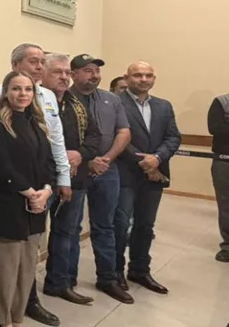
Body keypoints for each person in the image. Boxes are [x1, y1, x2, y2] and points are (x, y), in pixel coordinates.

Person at [0, 43, 70, 327]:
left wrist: (46, 190)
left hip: (35, 206)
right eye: (16, 89)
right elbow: (1, 165)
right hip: (6, 205)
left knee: (27, 268)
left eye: (28, 90)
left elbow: (47, 163)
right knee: (4, 270)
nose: (23, 94)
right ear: (6, 92)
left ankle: (17, 318)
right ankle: (2, 320)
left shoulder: (37, 124)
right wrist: (29, 192)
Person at [69, 54, 133, 304]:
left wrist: (106, 159)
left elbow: (124, 132)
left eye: (96, 71)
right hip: (75, 171)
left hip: (108, 171)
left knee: (105, 226)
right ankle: (66, 280)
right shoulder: (64, 98)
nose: (94, 76)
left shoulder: (111, 99)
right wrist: (88, 162)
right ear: (73, 74)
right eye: (87, 70)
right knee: (71, 227)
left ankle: (108, 278)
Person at [116, 62, 181, 295]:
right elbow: (115, 137)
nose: (143, 79)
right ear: (127, 77)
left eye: (148, 75)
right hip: (125, 174)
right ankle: (115, 273)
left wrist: (157, 158)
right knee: (120, 225)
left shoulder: (163, 106)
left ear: (154, 78)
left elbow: (173, 137)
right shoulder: (115, 103)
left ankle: (139, 270)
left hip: (155, 175)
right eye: (138, 75)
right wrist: (143, 161)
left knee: (145, 225)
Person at [40, 53, 100, 305]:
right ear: (42, 73)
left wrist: (80, 154)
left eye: (67, 72)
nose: (64, 77)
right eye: (58, 72)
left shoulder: (77, 103)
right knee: (30, 238)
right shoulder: (33, 100)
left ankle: (59, 283)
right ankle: (23, 294)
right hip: (41, 181)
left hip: (75, 180)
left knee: (66, 233)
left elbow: (95, 137)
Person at [207, 94, 229, 263]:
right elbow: (216, 128)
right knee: (226, 204)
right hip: (224, 161)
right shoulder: (222, 102)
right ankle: (228, 247)